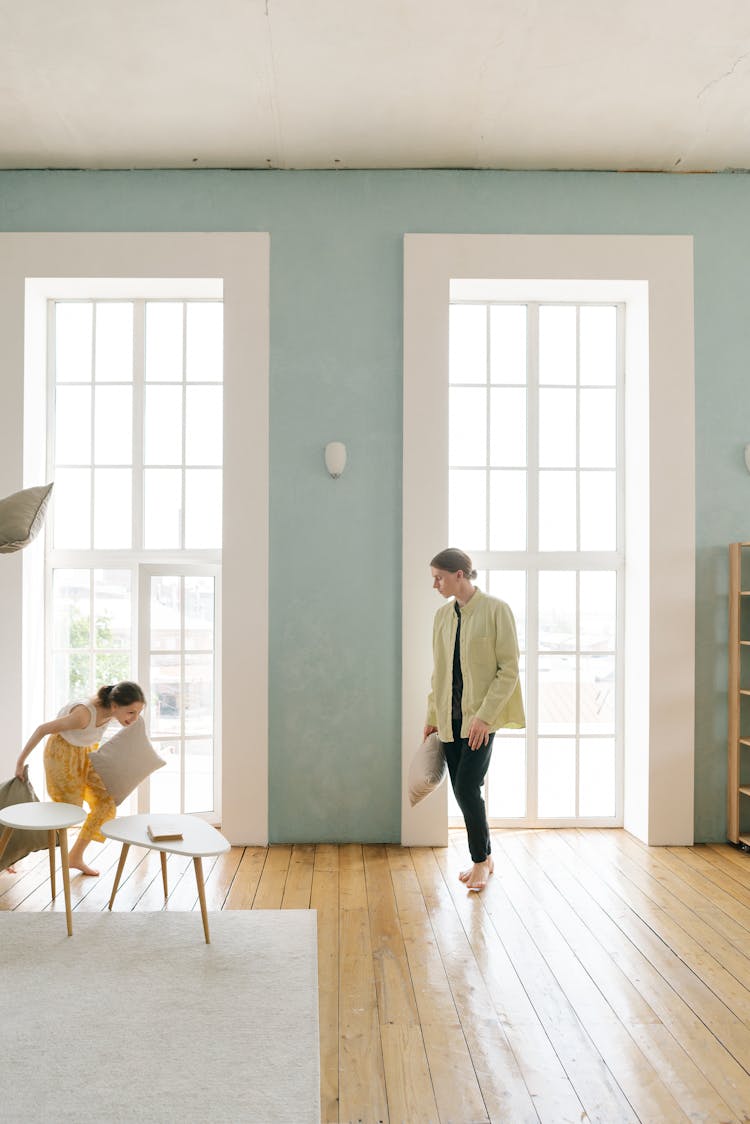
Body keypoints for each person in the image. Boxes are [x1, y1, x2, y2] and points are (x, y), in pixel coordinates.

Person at [424, 548, 525, 891]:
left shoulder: (497, 611)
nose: (435, 584)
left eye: (439, 577)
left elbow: (508, 669)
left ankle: (480, 861)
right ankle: (486, 857)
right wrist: (432, 716)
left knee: (467, 787)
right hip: (449, 722)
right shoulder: (441, 617)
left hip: (480, 721)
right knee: (461, 789)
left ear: (459, 575)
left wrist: (484, 717)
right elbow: (439, 674)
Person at [15, 681, 146, 877]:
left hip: (86, 752)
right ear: (115, 706)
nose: (135, 718)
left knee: (105, 804)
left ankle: (75, 857)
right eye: (131, 713)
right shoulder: (83, 716)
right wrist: (20, 762)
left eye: (138, 713)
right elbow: (42, 729)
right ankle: (15, 852)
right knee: (68, 812)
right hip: (62, 756)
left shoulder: (112, 713)